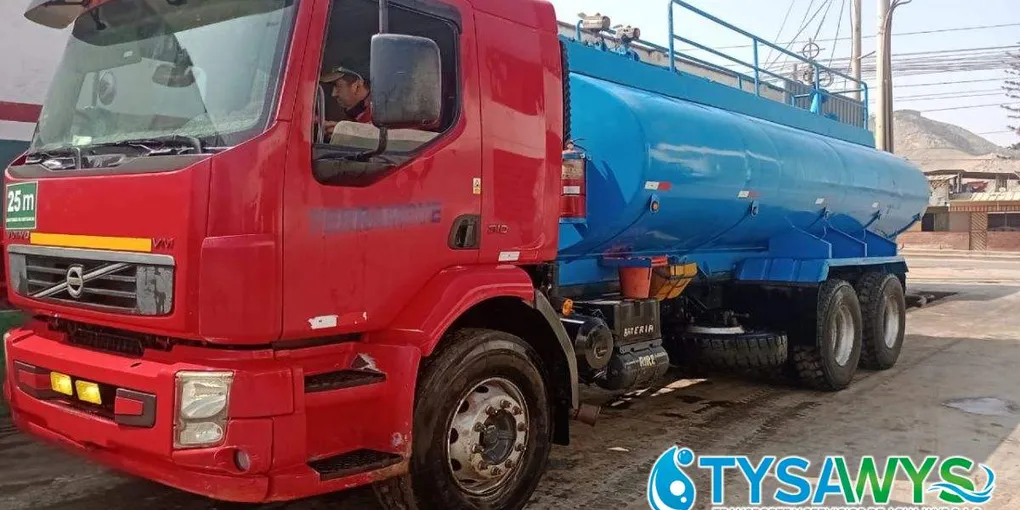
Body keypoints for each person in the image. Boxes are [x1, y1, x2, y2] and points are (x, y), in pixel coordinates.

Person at [319, 65, 372, 137]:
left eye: (337, 86)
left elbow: (384, 135)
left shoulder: (381, 114)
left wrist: (348, 132)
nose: (333, 94)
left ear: (357, 86)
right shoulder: (357, 115)